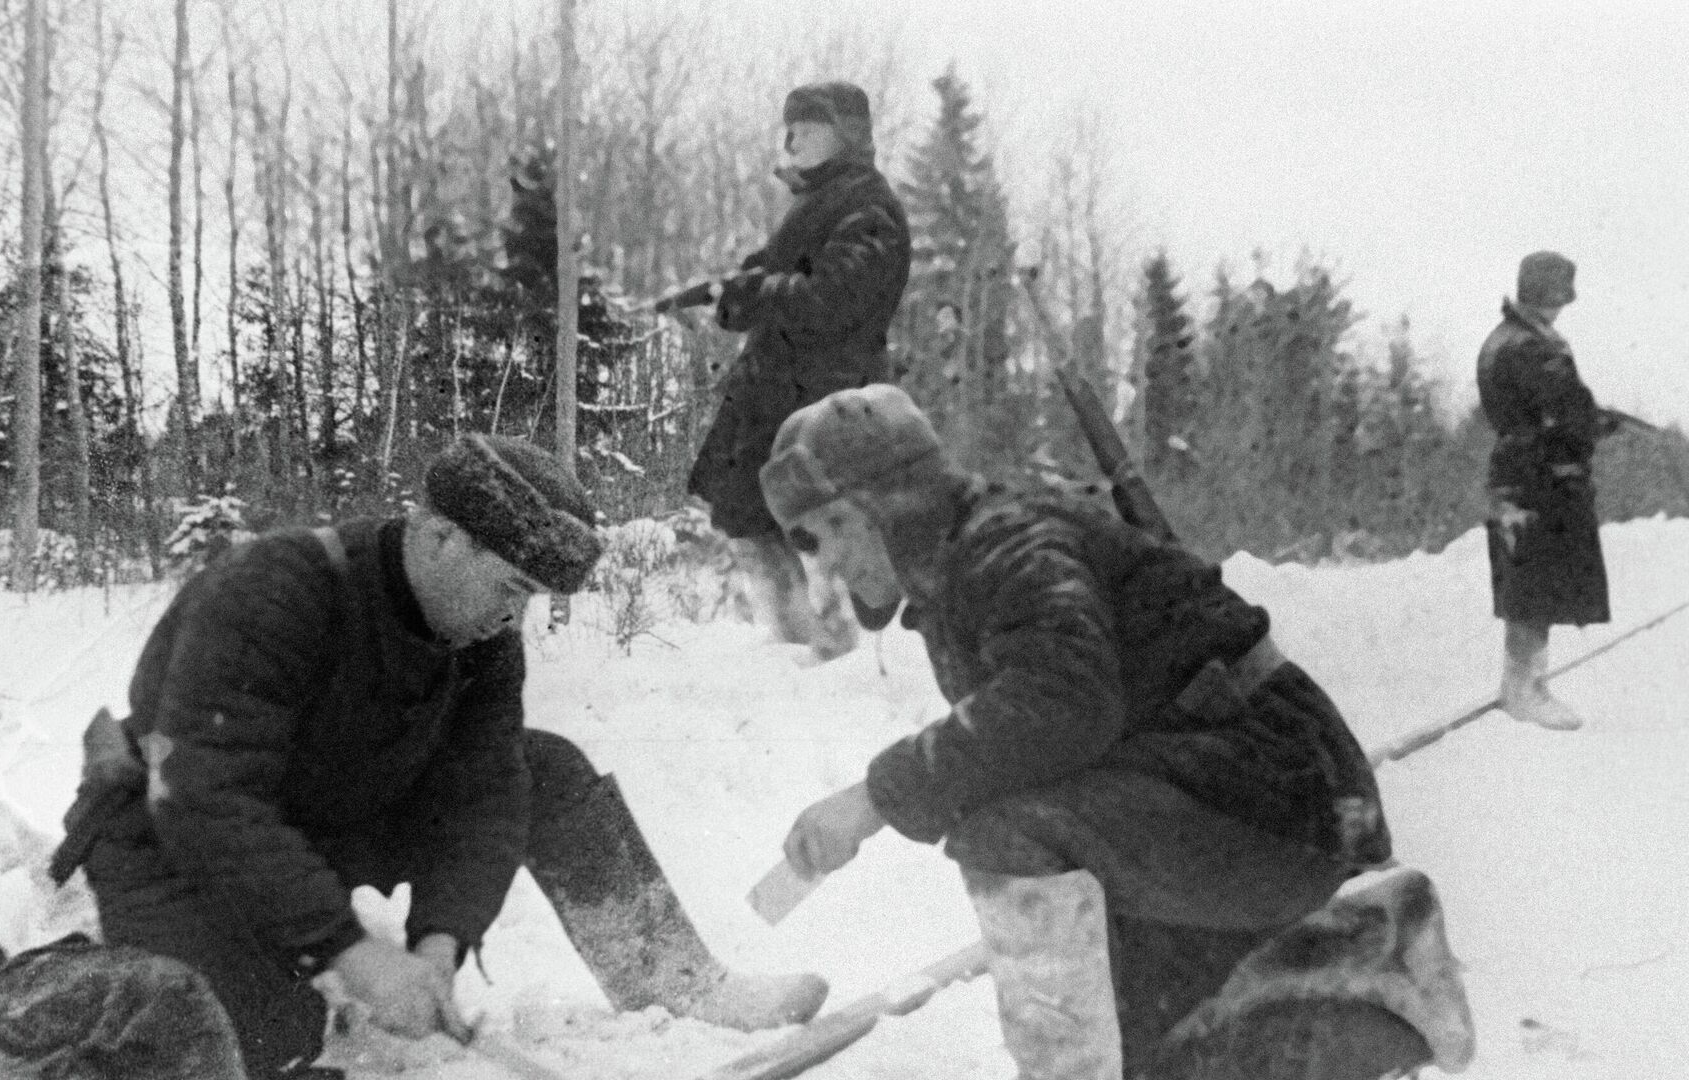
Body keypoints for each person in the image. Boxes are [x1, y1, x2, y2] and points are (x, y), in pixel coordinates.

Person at [34, 434, 827, 1080]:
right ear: (440, 534)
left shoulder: (484, 636)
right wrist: (350, 952)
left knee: (543, 767)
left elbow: (486, 791)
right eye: (509, 586)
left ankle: (676, 982)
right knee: (268, 1043)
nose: (514, 614)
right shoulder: (275, 589)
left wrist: (440, 942)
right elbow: (206, 800)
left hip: (327, 818)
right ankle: (89, 975)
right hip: (175, 842)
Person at [757, 385, 1403, 1079]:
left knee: (1006, 834)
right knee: (1162, 1055)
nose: (823, 561)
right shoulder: (977, 553)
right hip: (1254, 794)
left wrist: (875, 799)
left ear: (888, 505)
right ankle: (1362, 976)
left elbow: (1062, 705)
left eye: (828, 530)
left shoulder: (1011, 544)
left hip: (1280, 796)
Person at [678, 80, 911, 659]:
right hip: (778, 395)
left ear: (847, 135)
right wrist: (731, 293)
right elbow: (768, 279)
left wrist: (759, 289)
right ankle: (795, 643)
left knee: (815, 522)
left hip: (825, 399)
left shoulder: (868, 206)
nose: (793, 139)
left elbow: (836, 297)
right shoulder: (816, 203)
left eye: (811, 127)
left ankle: (837, 647)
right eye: (792, 127)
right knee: (752, 518)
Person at [1478, 251, 1612, 731]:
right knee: (1538, 583)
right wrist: (1597, 423)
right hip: (1543, 477)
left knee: (1527, 580)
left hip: (1513, 472)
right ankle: (1525, 691)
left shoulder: (1500, 339)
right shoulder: (1538, 345)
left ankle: (1526, 684)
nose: (1561, 308)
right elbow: (1569, 410)